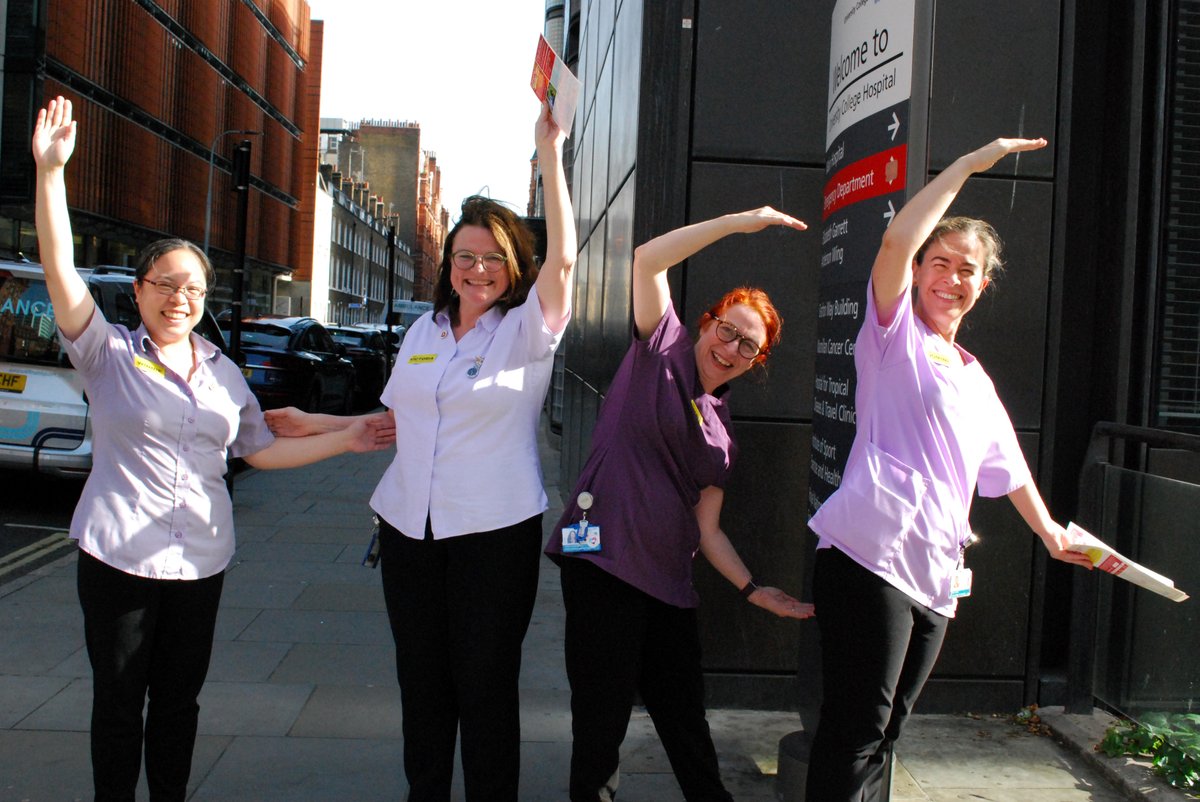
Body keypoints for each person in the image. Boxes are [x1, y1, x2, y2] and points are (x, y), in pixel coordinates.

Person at [31, 96, 390, 801]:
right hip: (120, 559)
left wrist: (345, 438)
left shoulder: (225, 374)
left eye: (192, 287)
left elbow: (258, 450)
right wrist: (50, 175)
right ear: (138, 292)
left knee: (178, 703)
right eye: (164, 284)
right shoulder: (108, 354)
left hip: (201, 560)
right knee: (117, 701)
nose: (179, 297)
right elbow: (61, 272)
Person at [264, 103, 575, 801]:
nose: (476, 269)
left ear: (513, 265)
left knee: (485, 689)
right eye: (465, 256)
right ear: (451, 264)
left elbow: (568, 258)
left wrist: (549, 156)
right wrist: (311, 422)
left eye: (493, 258)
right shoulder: (424, 332)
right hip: (410, 533)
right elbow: (398, 422)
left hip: (492, 536)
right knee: (421, 687)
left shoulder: (526, 331)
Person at [804, 137, 1095, 801]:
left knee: (887, 730)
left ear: (982, 286)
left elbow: (1010, 467)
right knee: (857, 726)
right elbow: (890, 246)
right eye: (940, 261)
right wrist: (967, 166)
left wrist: (1051, 534)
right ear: (919, 270)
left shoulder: (973, 375)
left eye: (968, 270)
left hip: (935, 575)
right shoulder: (892, 335)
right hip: (868, 560)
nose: (952, 277)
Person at [545, 208, 815, 802]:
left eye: (749, 345)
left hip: (667, 586)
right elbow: (647, 258)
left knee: (685, 720)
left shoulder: (723, 433)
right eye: (728, 328)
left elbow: (709, 531)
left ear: (755, 362)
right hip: (605, 568)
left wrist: (752, 589)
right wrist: (741, 222)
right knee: (601, 719)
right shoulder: (659, 346)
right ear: (707, 322)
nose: (732, 346)